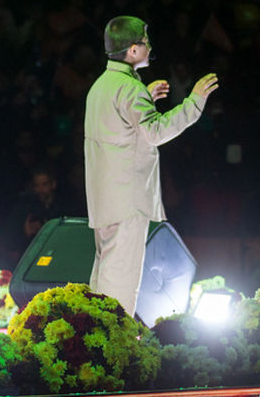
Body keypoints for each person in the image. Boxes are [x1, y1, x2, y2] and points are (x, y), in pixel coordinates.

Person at [84, 16, 218, 318]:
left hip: (105, 199)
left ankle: (98, 343)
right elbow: (155, 132)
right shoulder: (128, 89)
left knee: (104, 278)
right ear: (133, 51)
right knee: (119, 284)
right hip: (127, 201)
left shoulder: (102, 86)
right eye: (146, 42)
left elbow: (121, 130)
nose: (150, 46)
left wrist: (144, 95)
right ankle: (110, 352)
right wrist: (193, 102)